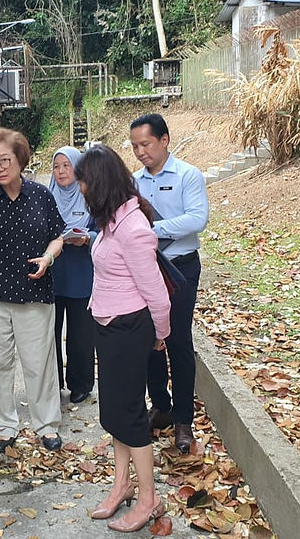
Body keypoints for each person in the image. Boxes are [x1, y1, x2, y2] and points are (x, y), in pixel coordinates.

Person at [77, 145, 171, 533]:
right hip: (109, 325)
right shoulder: (109, 221)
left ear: (99, 183)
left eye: (84, 180)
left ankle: (149, 499)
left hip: (130, 328)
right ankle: (122, 486)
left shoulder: (132, 227)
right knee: (113, 414)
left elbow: (156, 292)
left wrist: (160, 336)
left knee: (129, 415)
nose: (79, 187)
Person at [0, 128, 65, 453]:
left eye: (5, 160)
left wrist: (49, 257)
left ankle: (46, 425)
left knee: (39, 363)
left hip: (34, 293)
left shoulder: (40, 194)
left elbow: (58, 235)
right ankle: (5, 425)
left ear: (21, 159)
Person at [130, 113, 209, 453]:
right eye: (134, 146)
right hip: (147, 271)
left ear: (164, 140)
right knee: (148, 340)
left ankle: (183, 420)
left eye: (145, 144)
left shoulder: (188, 176)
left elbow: (197, 219)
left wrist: (153, 231)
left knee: (177, 342)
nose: (140, 152)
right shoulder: (134, 181)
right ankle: (160, 406)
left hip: (181, 268)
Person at [48, 146, 96, 404]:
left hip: (82, 273)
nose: (61, 171)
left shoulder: (91, 196)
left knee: (81, 334)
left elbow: (104, 232)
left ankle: (81, 384)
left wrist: (87, 238)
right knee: (49, 332)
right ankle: (52, 383)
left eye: (67, 165)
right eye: (56, 166)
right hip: (52, 274)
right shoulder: (45, 196)